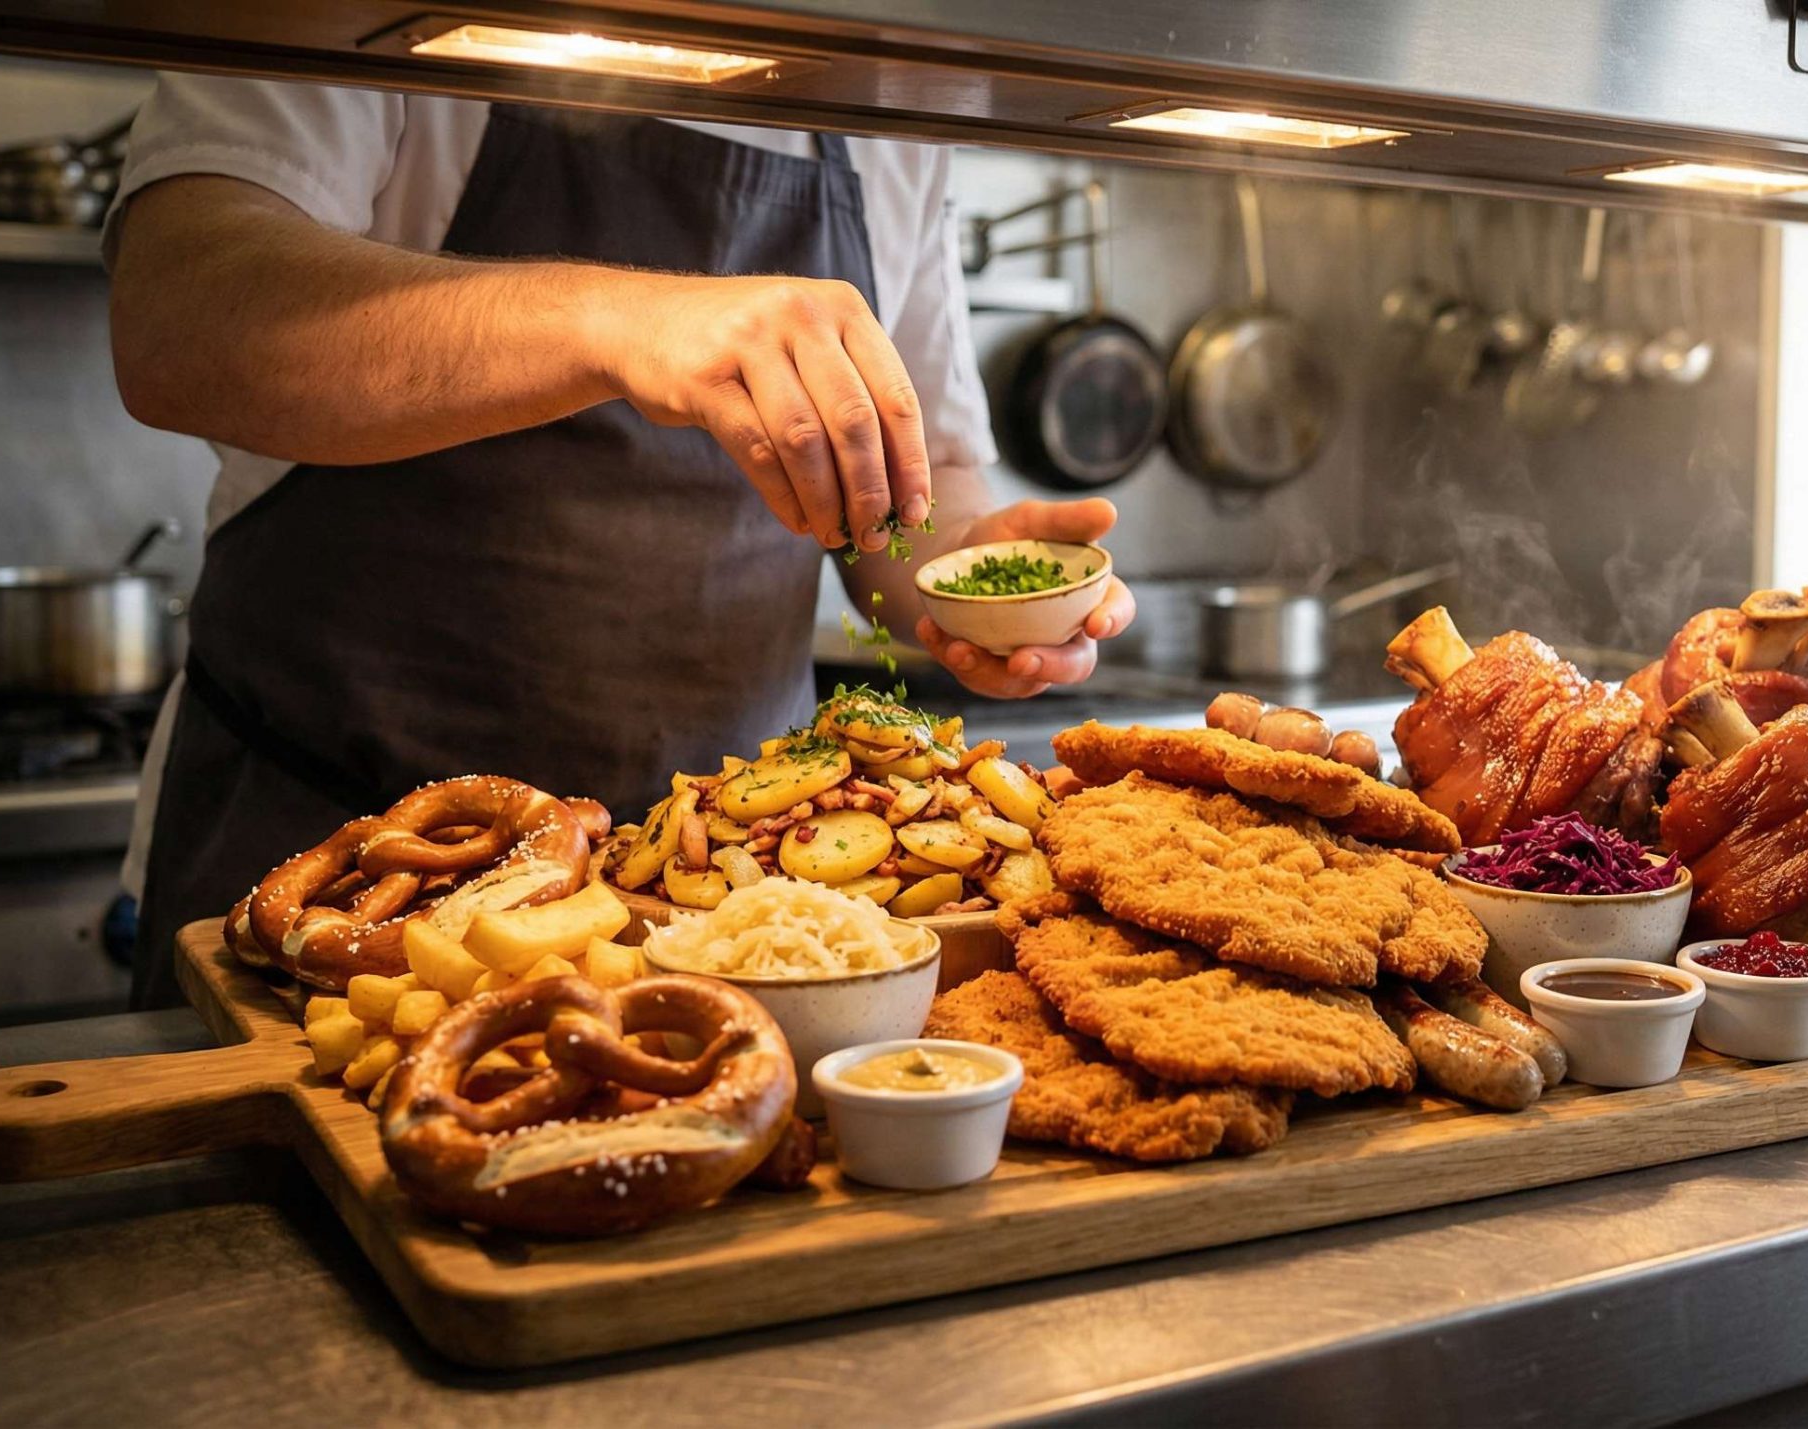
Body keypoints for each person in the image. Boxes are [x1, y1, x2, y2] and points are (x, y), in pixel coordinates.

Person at [105, 75, 1134, 1005]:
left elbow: (911, 498)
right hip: (343, 868)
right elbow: (176, 319)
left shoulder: (883, 78)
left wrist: (974, 571)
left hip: (730, 900)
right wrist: (614, 321)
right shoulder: (387, 39)